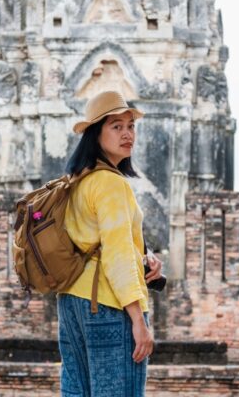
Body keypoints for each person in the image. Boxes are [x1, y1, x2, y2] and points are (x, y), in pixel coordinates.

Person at [57, 90, 163, 397]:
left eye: (131, 126)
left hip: (71, 302)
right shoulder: (112, 183)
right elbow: (116, 257)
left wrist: (144, 258)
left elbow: (94, 242)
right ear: (95, 134)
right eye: (116, 126)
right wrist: (138, 321)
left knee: (78, 391)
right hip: (107, 304)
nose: (128, 134)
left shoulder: (78, 180)